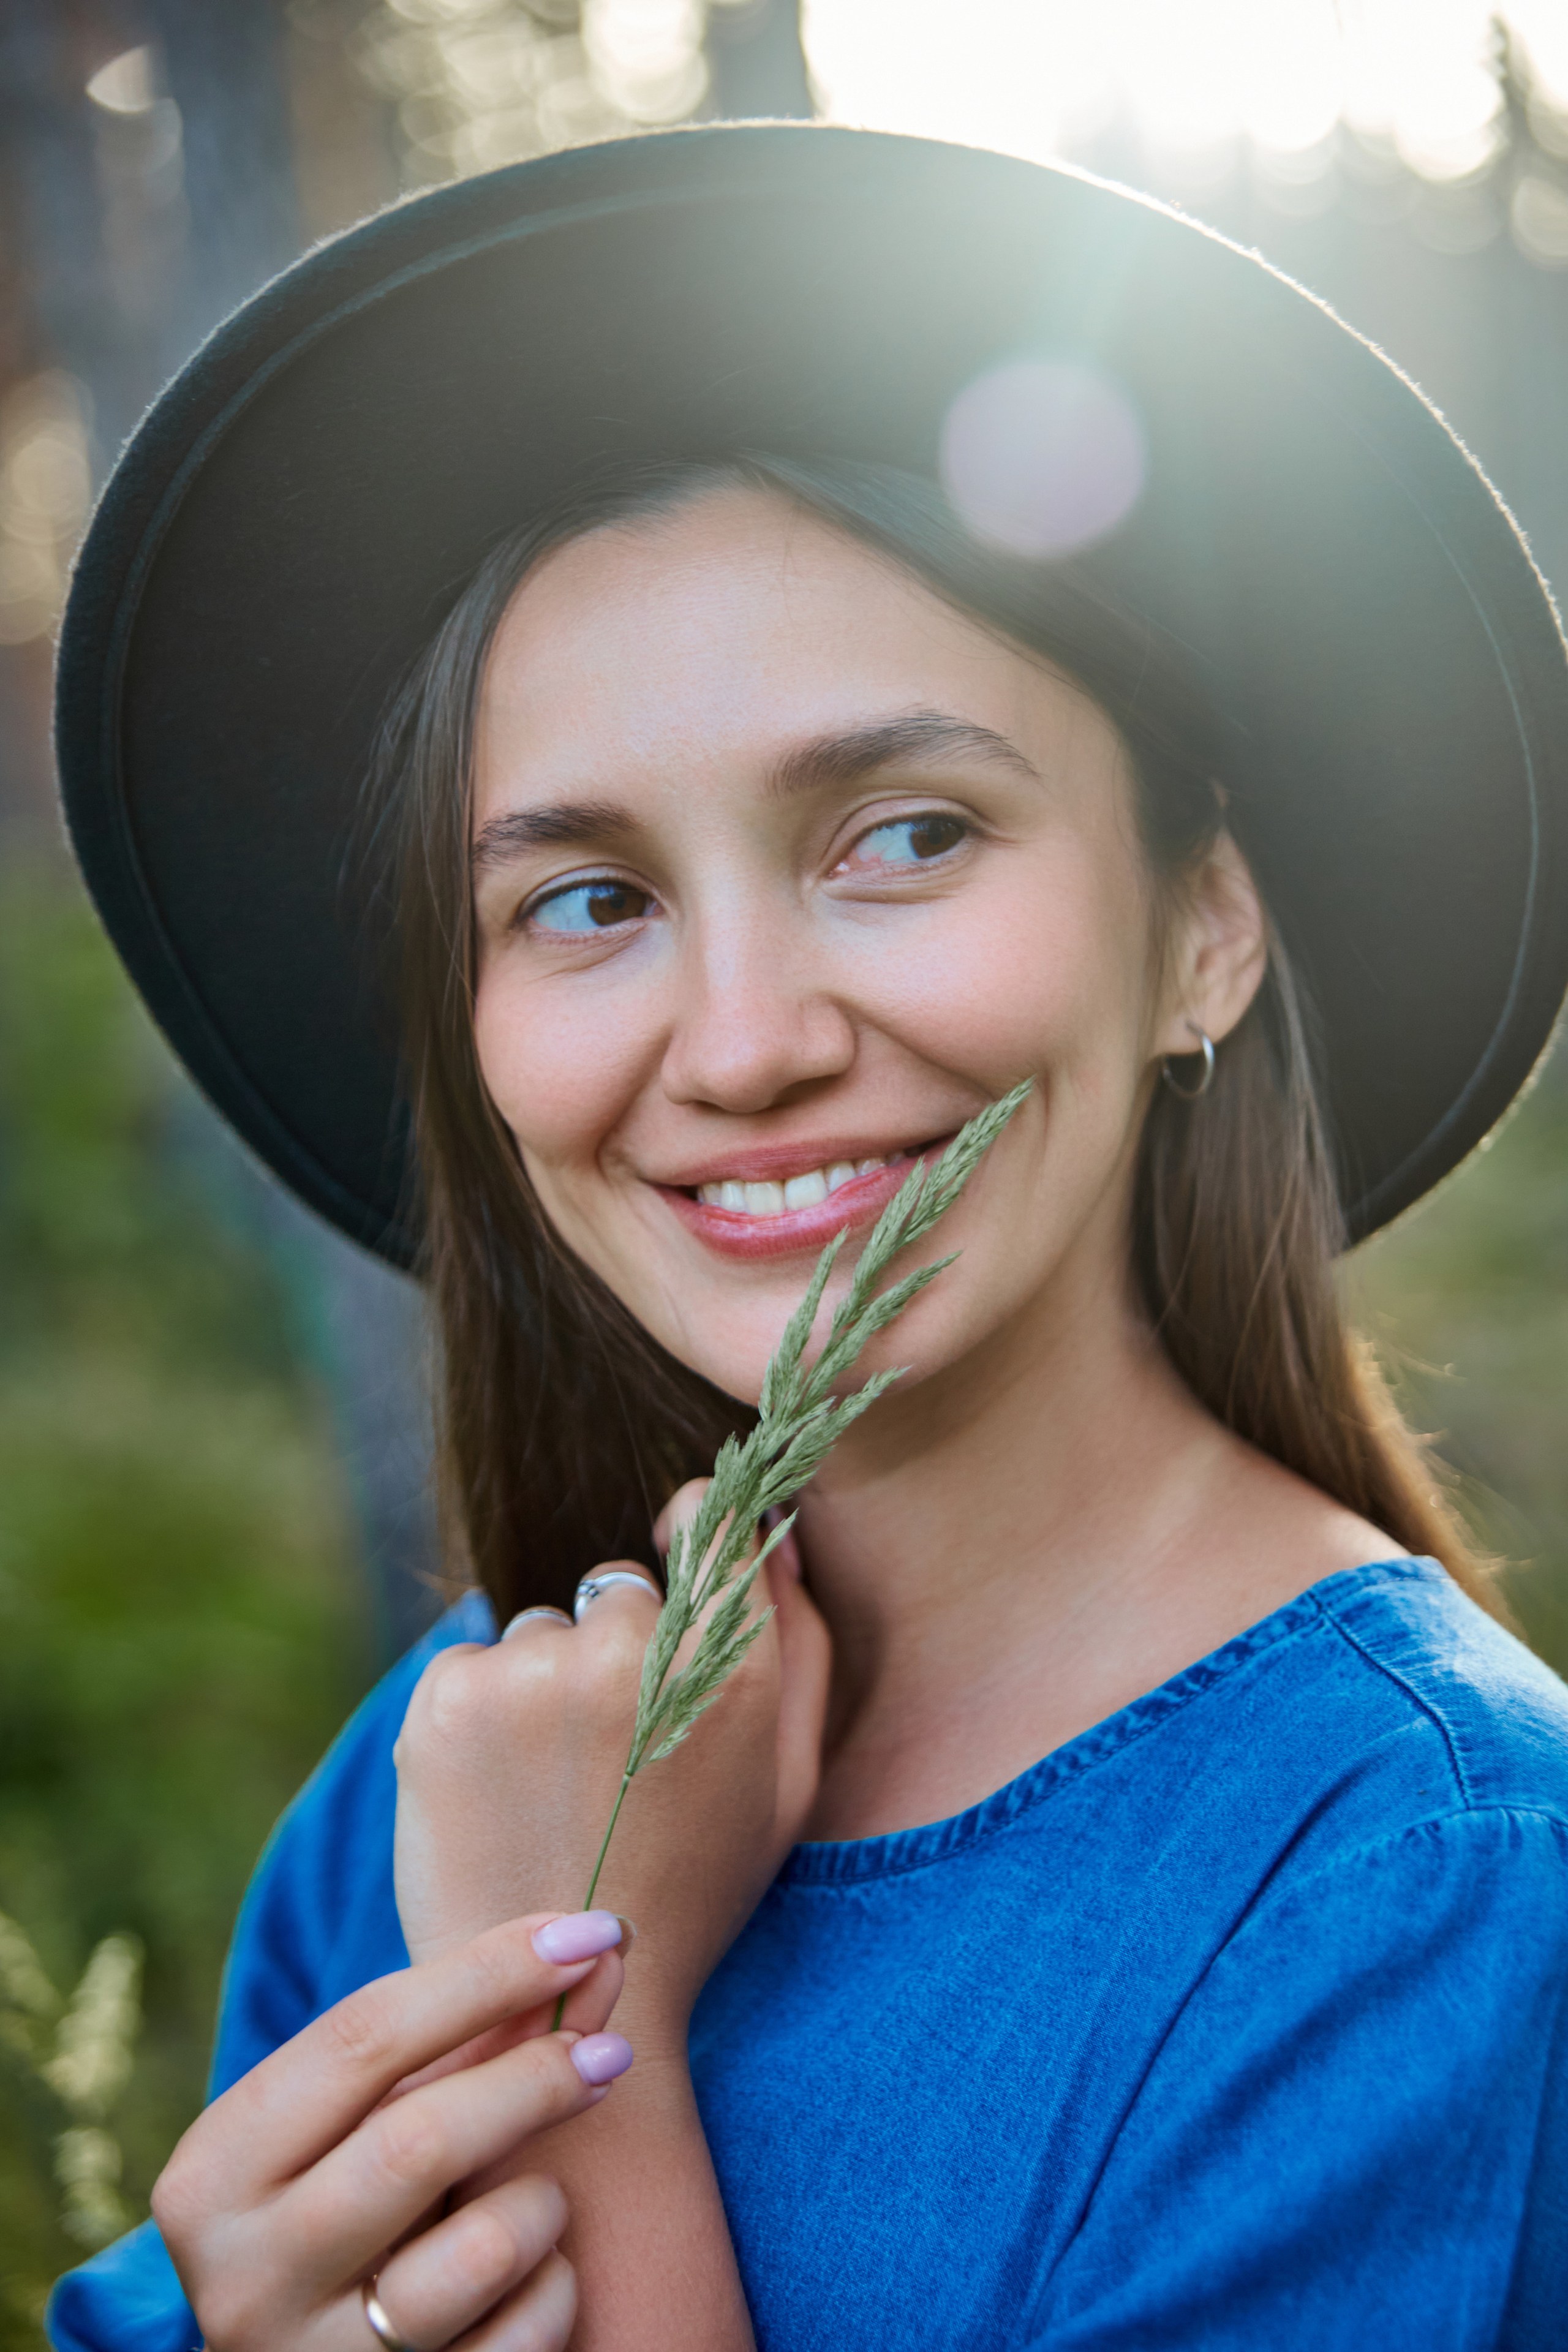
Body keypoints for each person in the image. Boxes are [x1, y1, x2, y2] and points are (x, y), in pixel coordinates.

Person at [47, 126, 1568, 2352]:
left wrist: (598, 2034)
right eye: (587, 900)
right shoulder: (463, 1760)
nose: (745, 1044)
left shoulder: (1416, 1882)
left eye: (906, 834)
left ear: (1207, 927)